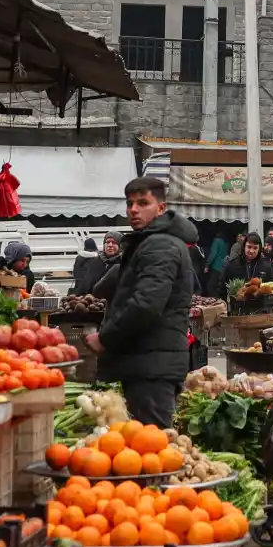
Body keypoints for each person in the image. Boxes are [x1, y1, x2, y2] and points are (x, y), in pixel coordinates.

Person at [83, 176, 196, 428]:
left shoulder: (160, 245)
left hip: (152, 366)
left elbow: (145, 304)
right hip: (147, 361)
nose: (133, 209)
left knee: (151, 446)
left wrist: (105, 338)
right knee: (146, 445)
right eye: (130, 203)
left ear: (161, 208)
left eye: (143, 203)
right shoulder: (149, 243)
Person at [221, 231, 273, 297]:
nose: (252, 251)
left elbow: (271, 287)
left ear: (259, 249)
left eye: (255, 248)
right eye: (249, 247)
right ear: (244, 246)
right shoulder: (232, 265)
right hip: (238, 304)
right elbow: (222, 288)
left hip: (260, 305)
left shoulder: (266, 266)